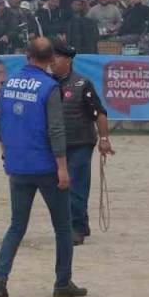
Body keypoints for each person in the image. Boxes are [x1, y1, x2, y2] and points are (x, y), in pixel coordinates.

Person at [0, 37, 88, 297]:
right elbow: (56, 129)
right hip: (46, 166)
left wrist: (5, 153)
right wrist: (62, 168)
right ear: (50, 59)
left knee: (17, 226)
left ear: (26, 55)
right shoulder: (49, 87)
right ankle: (63, 281)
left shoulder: (9, 84)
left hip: (17, 164)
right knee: (63, 227)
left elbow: (2, 123)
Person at [51, 42, 115, 246]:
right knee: (59, 187)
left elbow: (99, 112)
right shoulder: (47, 83)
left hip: (80, 142)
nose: (52, 62)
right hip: (56, 145)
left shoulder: (82, 84)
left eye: (57, 58)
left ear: (68, 60)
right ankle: (78, 224)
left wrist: (104, 138)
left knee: (76, 186)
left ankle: (76, 228)